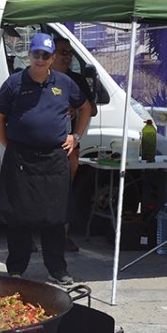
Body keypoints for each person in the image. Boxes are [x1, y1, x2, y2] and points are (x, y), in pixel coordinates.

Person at [0, 33, 89, 286]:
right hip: (21, 158)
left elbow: (86, 107)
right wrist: (8, 143)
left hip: (54, 159)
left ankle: (57, 270)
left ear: (52, 58)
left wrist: (76, 135)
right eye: (36, 54)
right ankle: (16, 270)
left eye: (46, 55)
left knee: (55, 218)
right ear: (30, 55)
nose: (41, 59)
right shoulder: (14, 84)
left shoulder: (65, 83)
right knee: (18, 217)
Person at [50, 36, 97, 252]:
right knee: (37, 193)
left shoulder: (76, 80)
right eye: (63, 52)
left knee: (65, 192)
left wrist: (75, 110)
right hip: (40, 146)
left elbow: (91, 109)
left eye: (70, 53)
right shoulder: (41, 77)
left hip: (68, 147)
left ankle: (63, 237)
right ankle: (32, 237)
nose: (67, 57)